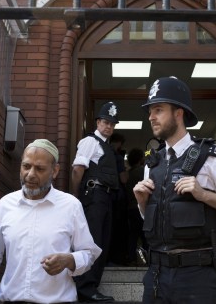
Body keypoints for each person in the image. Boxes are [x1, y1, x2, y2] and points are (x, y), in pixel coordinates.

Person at [133, 76, 216, 304]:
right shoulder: (152, 163)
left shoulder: (212, 156)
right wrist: (141, 202)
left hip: (199, 277)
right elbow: (155, 215)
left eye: (158, 110)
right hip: (156, 275)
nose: (151, 117)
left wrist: (203, 194)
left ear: (179, 113)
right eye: (150, 111)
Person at [0, 139, 101, 304]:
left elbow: (89, 254)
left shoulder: (71, 206)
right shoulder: (5, 204)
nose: (31, 174)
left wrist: (68, 260)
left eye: (39, 168)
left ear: (54, 171)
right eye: (26, 166)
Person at [71, 101, 120, 302]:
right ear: (98, 122)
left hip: (105, 197)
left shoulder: (106, 146)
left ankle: (92, 287)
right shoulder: (90, 141)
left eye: (112, 124)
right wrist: (75, 198)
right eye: (105, 122)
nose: (108, 126)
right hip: (93, 196)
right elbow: (77, 169)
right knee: (92, 242)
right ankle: (85, 288)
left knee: (102, 242)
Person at [107, 132, 130, 266]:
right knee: (119, 229)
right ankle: (118, 258)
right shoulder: (118, 157)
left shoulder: (104, 153)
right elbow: (123, 178)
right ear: (119, 143)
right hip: (118, 197)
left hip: (106, 196)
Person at [125, 147, 148, 265]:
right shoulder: (143, 171)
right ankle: (148, 260)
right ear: (140, 159)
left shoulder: (127, 174)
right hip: (141, 206)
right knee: (146, 234)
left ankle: (132, 259)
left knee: (133, 234)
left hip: (130, 207)